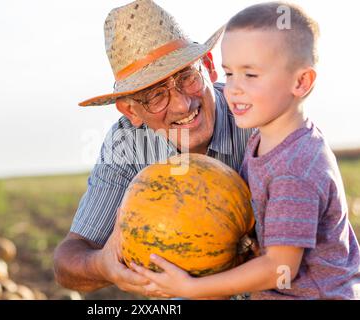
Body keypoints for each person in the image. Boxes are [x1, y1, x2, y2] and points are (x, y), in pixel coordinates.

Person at [131, 2, 360, 299]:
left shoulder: (296, 167)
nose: (234, 89)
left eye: (250, 75)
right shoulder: (264, 141)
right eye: (229, 74)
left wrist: (193, 288)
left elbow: (281, 267)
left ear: (301, 82)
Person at [53, 0, 254, 297]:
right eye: (156, 95)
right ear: (130, 111)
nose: (182, 104)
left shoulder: (259, 117)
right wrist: (103, 265)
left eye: (187, 77)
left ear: (209, 67)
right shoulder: (127, 143)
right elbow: (66, 261)